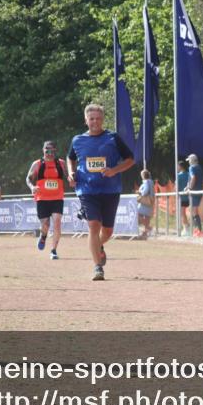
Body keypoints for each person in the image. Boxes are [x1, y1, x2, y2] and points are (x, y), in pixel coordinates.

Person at [66, 104, 135, 280]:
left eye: (97, 118)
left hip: (110, 189)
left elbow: (130, 160)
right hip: (87, 190)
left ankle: (98, 246)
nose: (94, 122)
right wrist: (71, 173)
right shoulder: (77, 140)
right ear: (86, 120)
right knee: (93, 226)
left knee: (108, 231)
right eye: (91, 119)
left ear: (102, 119)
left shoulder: (113, 138)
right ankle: (98, 267)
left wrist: (114, 170)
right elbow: (70, 158)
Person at [27, 141, 69, 260]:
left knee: (57, 222)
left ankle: (53, 250)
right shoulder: (37, 164)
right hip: (42, 199)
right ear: (43, 150)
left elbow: (68, 175)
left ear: (55, 151)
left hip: (57, 197)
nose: (49, 153)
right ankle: (43, 236)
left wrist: (72, 179)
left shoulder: (61, 163)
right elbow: (28, 178)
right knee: (45, 225)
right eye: (47, 151)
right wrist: (32, 187)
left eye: (52, 151)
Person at [187, 153, 203, 237]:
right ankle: (198, 230)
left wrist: (189, 188)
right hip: (200, 190)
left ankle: (198, 230)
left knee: (193, 211)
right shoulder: (199, 167)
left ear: (191, 160)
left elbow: (193, 178)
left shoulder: (192, 168)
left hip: (194, 191)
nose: (188, 162)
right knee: (193, 211)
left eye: (189, 160)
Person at [136, 169, 155, 239]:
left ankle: (148, 228)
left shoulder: (146, 182)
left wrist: (140, 192)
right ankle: (145, 232)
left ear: (143, 175)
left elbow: (145, 191)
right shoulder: (151, 182)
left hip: (145, 202)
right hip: (150, 201)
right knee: (147, 217)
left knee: (138, 215)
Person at [176, 160, 190, 236]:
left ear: (180, 167)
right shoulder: (189, 174)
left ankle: (186, 228)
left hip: (181, 198)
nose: (177, 168)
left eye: (177, 166)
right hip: (189, 196)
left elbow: (176, 187)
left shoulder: (178, 176)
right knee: (186, 213)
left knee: (182, 213)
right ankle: (187, 227)